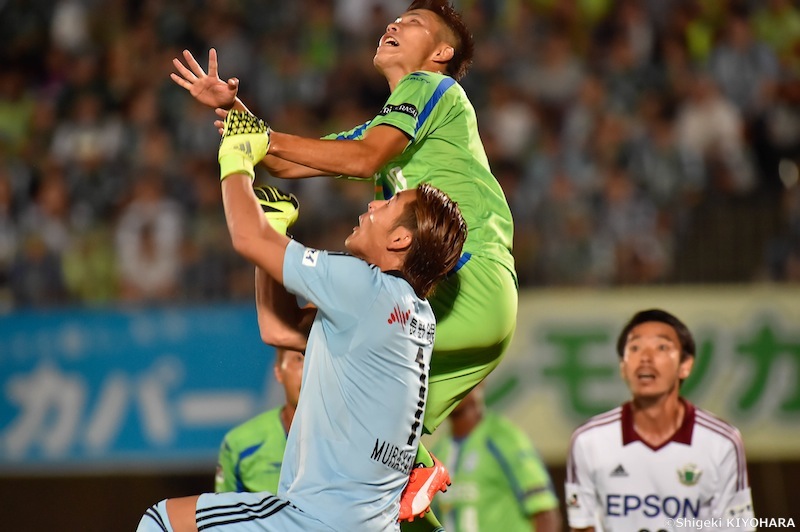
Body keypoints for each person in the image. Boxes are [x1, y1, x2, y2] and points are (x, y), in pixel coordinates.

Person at [170, 2, 518, 522]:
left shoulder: (431, 88)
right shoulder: (391, 125)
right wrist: (234, 110)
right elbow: (285, 160)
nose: (394, 23)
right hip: (466, 303)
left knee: (334, 366)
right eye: (397, 18)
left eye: (414, 22)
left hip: (466, 280)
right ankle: (413, 486)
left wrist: (251, 142)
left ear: (442, 52)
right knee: (375, 441)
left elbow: (362, 158)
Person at [137, 109, 467, 531]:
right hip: (366, 525)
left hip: (315, 519)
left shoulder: (363, 288)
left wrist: (235, 156)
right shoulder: (415, 317)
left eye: (389, 203)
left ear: (401, 238)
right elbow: (278, 329)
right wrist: (276, 231)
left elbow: (247, 237)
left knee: (162, 521)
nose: (373, 203)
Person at [565, 309, 756, 532]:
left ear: (685, 365)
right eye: (634, 348)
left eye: (661, 347)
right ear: (622, 367)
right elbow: (582, 525)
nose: (645, 357)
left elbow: (737, 527)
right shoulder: (588, 440)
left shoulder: (722, 441)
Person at [430, 384, 562, 532]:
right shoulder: (437, 453)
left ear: (481, 381)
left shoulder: (504, 439)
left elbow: (545, 515)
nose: (454, 385)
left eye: (461, 375)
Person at [214, 347, 304, 494]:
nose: (308, 370)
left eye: (315, 358)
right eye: (299, 359)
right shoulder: (239, 444)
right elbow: (224, 506)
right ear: (278, 371)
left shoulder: (345, 439)